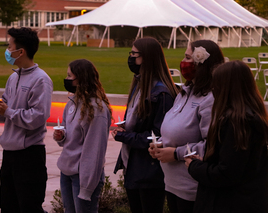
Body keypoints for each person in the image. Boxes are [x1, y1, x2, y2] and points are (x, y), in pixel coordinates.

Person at [149, 40, 224, 213]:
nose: (183, 62)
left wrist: (176, 153)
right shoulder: (184, 93)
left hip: (192, 188)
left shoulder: (210, 99)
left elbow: (212, 145)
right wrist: (160, 144)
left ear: (201, 64)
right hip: (171, 183)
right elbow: (175, 130)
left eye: (188, 57)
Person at [185, 61, 268, 213]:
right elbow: (236, 161)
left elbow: (226, 173)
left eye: (216, 84)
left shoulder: (236, 122)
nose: (213, 89)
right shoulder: (254, 116)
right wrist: (209, 161)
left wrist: (194, 166)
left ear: (227, 88)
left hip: (230, 203)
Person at [112, 37, 179, 213]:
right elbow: (138, 122)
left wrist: (124, 136)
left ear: (147, 58)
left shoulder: (161, 94)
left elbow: (158, 136)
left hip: (149, 172)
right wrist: (125, 127)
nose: (130, 58)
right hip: (133, 166)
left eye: (134, 54)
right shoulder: (139, 84)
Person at [0, 27, 53, 213]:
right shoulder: (13, 77)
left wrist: (8, 111)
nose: (7, 51)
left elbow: (38, 118)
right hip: (9, 153)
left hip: (29, 155)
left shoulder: (41, 80)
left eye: (10, 47)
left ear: (21, 51)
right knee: (8, 207)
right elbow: (7, 110)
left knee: (29, 207)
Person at [53, 59, 112, 213]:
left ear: (81, 78)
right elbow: (69, 136)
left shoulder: (96, 110)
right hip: (67, 172)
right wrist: (61, 136)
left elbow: (95, 151)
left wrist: (86, 188)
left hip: (83, 177)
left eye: (69, 76)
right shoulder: (72, 103)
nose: (66, 80)